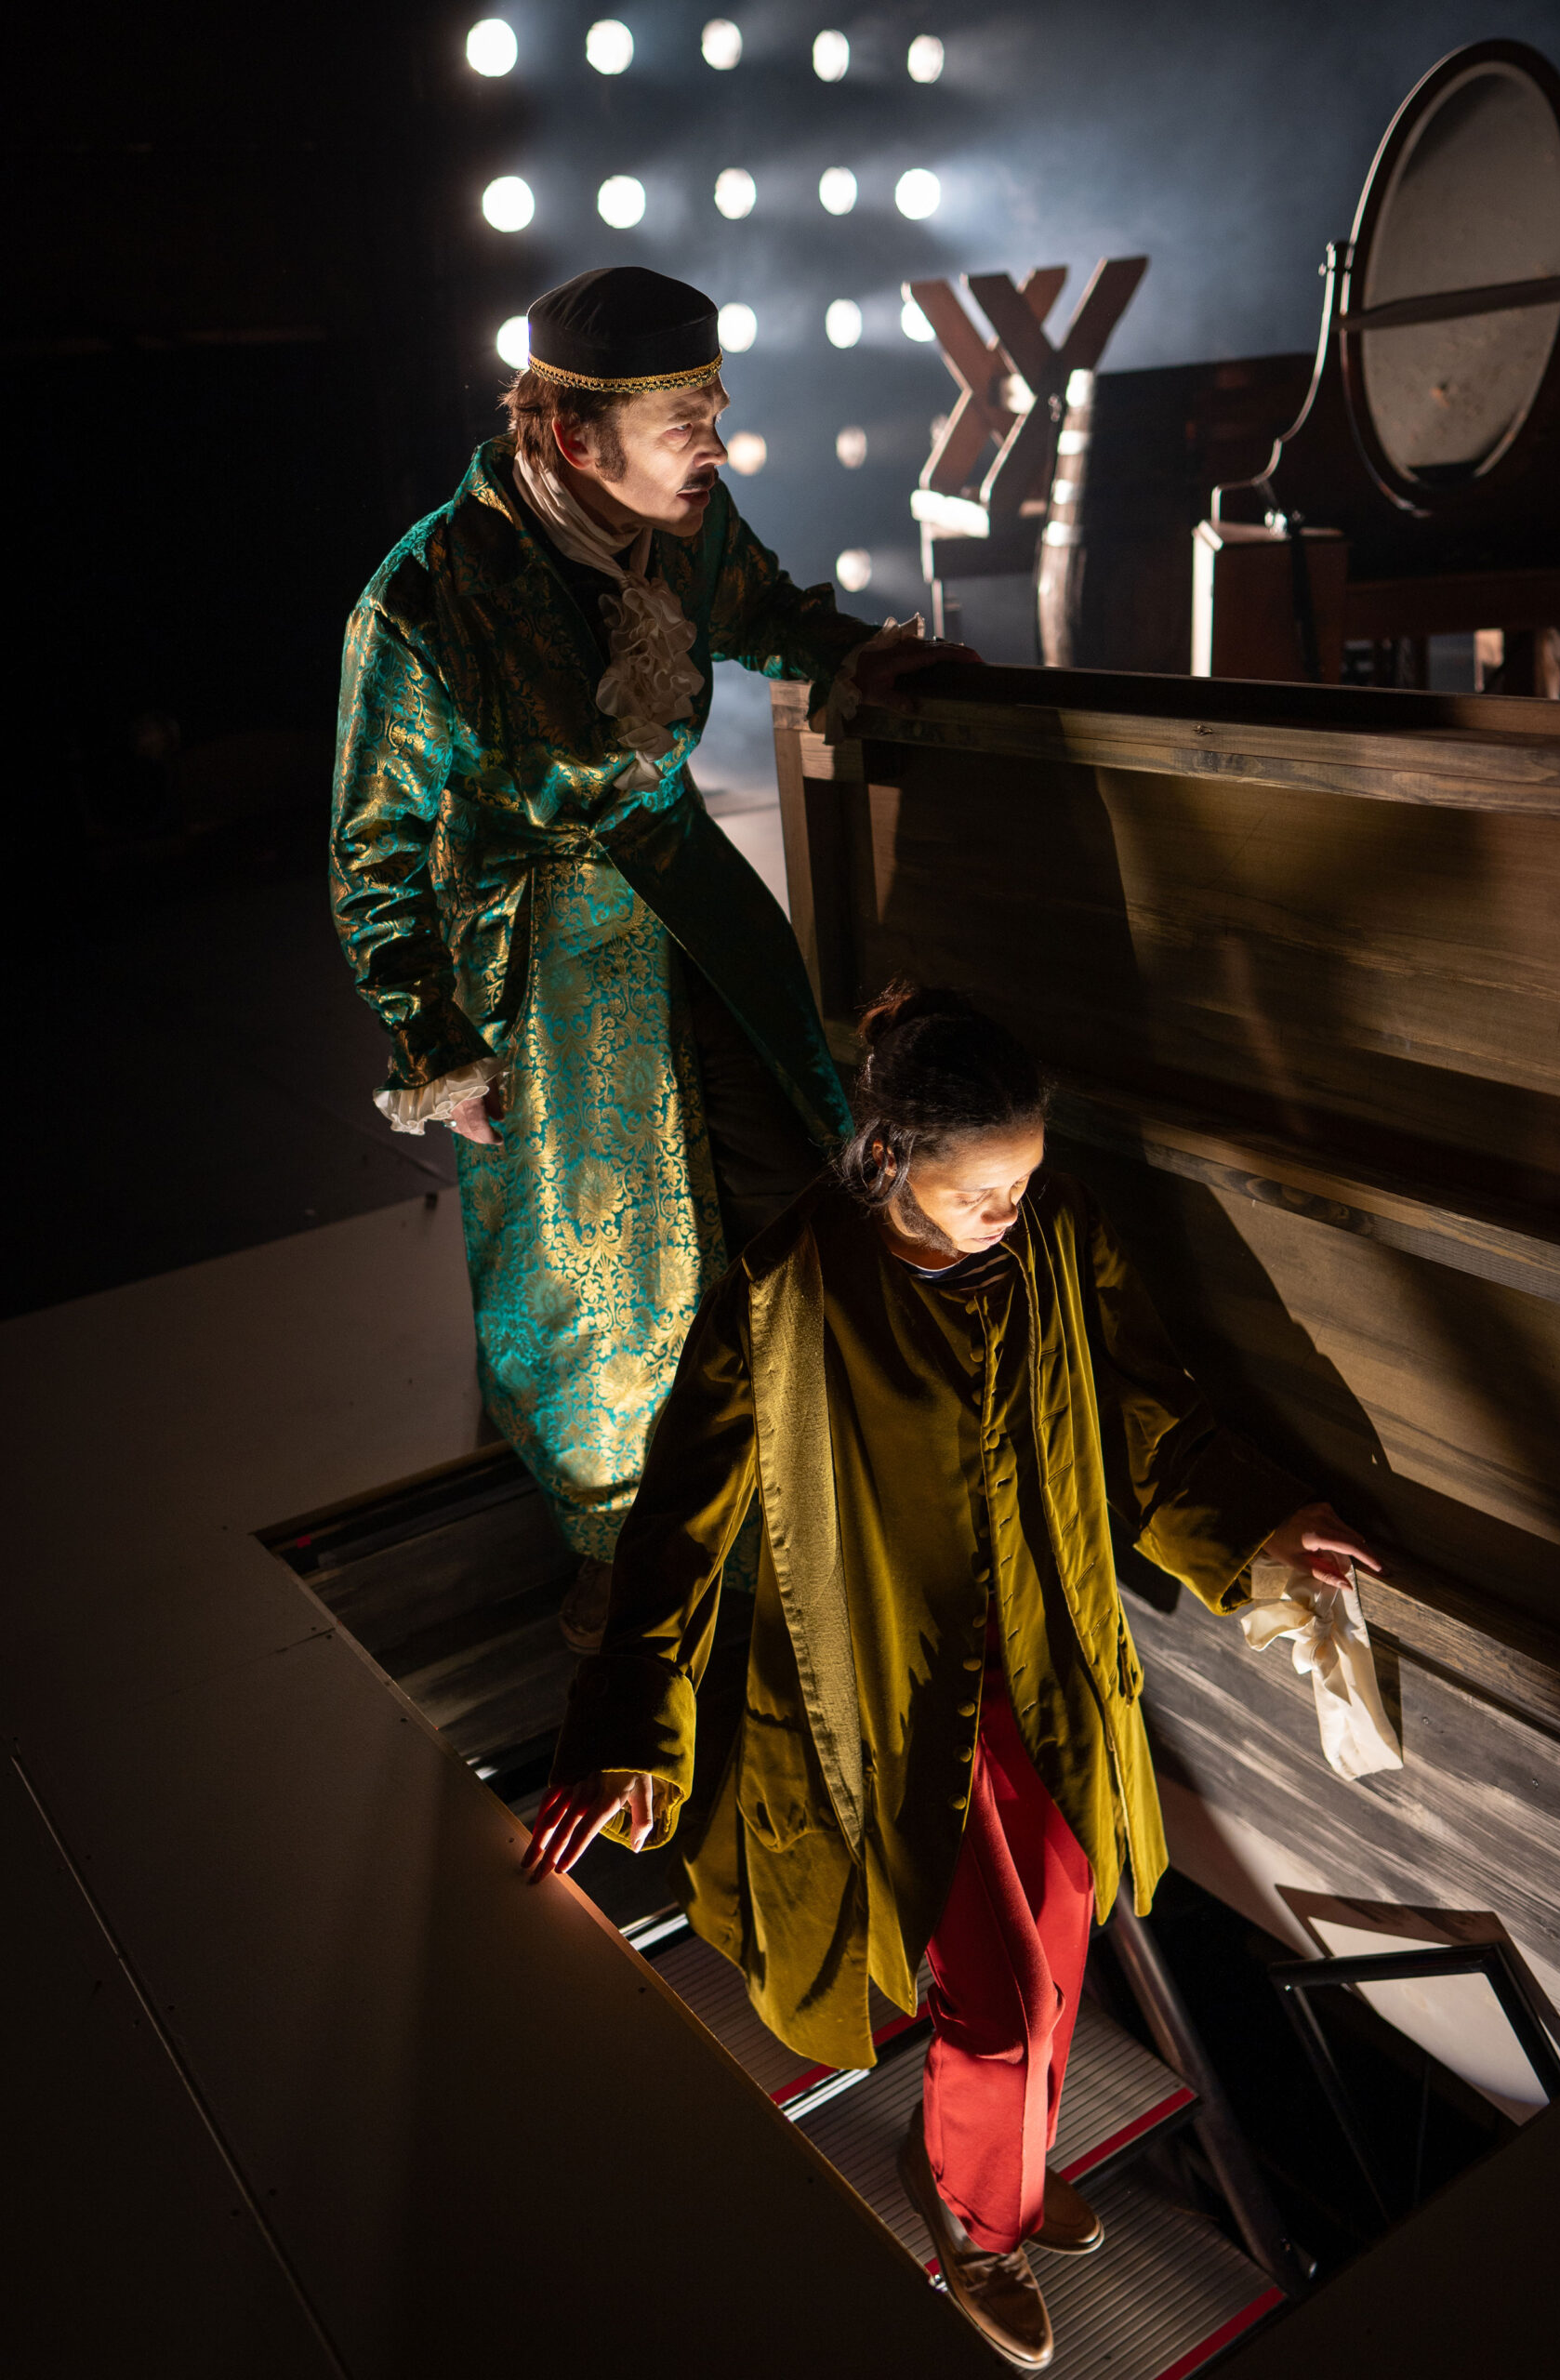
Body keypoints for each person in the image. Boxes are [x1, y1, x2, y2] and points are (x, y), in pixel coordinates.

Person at [525, 984, 1379, 2371]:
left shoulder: (1059, 1235)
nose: (1009, 1211)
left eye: (1023, 1182)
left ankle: (1000, 2175)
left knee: (1063, 1936)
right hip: (887, 1693)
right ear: (888, 1159)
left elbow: (1144, 1413)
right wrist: (625, 1724)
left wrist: (1267, 1522)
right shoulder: (788, 1291)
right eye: (983, 1191)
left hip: (1043, 1662)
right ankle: (977, 2222)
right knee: (998, 2003)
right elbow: (680, 1520)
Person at [331, 267, 971, 1648]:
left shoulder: (684, 527)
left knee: (790, 1182)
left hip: (693, 903)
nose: (717, 448)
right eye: (688, 423)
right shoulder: (427, 595)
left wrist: (849, 656)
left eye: (715, 413)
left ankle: (811, 1482)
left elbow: (760, 610)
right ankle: (624, 1552)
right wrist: (436, 1040)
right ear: (576, 436)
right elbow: (373, 848)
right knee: (595, 1273)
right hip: (547, 963)